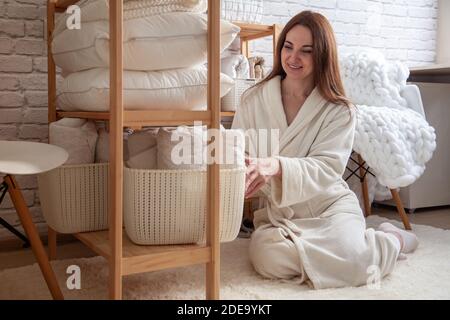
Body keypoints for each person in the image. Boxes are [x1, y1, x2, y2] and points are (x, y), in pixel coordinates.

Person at [231, 10, 419, 289]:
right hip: (280, 214)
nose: (293, 58)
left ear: (322, 55)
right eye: (288, 47)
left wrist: (277, 165)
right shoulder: (253, 99)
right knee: (267, 257)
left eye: (306, 51)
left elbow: (327, 168)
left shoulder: (339, 110)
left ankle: (392, 239)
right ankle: (339, 256)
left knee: (358, 263)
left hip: (329, 207)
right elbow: (236, 154)